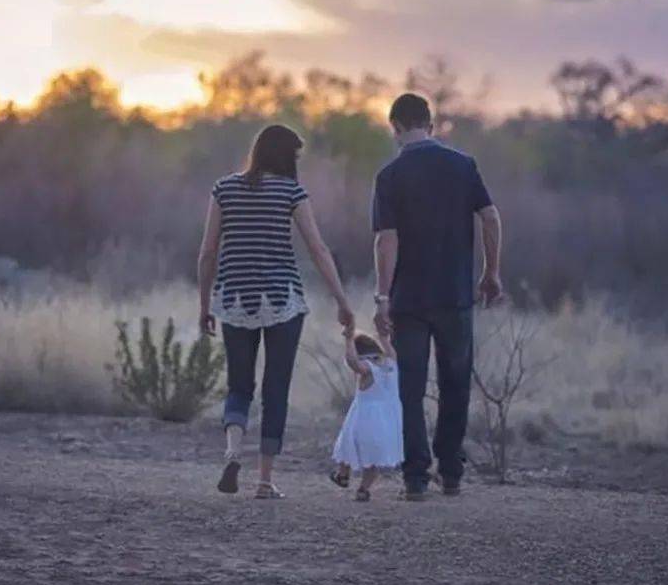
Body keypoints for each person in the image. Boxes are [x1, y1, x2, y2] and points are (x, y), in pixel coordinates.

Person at [197, 124, 354, 499]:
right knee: (276, 388)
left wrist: (205, 304)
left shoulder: (225, 189)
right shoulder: (291, 192)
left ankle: (233, 451)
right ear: (286, 156)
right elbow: (317, 249)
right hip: (283, 300)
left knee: (239, 385)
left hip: (234, 299)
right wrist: (342, 300)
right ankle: (265, 481)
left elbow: (207, 252)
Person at [371, 93, 504, 501]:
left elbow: (385, 240)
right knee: (455, 383)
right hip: (454, 294)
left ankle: (415, 476)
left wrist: (381, 296)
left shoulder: (390, 175)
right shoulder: (462, 166)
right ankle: (450, 471)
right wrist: (491, 272)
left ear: (395, 127)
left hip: (409, 299)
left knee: (409, 388)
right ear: (431, 124)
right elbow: (490, 216)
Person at [329, 329, 403, 502]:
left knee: (347, 445)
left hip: (364, 417)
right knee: (373, 459)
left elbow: (353, 362)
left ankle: (343, 474)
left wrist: (348, 341)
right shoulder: (391, 362)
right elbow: (388, 346)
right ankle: (363, 488)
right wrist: (384, 336)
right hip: (388, 420)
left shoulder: (367, 368)